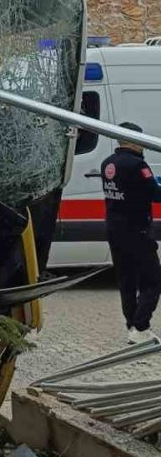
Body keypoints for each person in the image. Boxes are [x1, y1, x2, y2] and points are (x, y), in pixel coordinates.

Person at [101, 122, 161, 341]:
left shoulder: (107, 163)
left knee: (126, 281)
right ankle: (141, 326)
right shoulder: (138, 165)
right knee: (153, 280)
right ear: (134, 140)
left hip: (115, 231)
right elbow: (156, 195)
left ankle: (131, 327)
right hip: (138, 232)